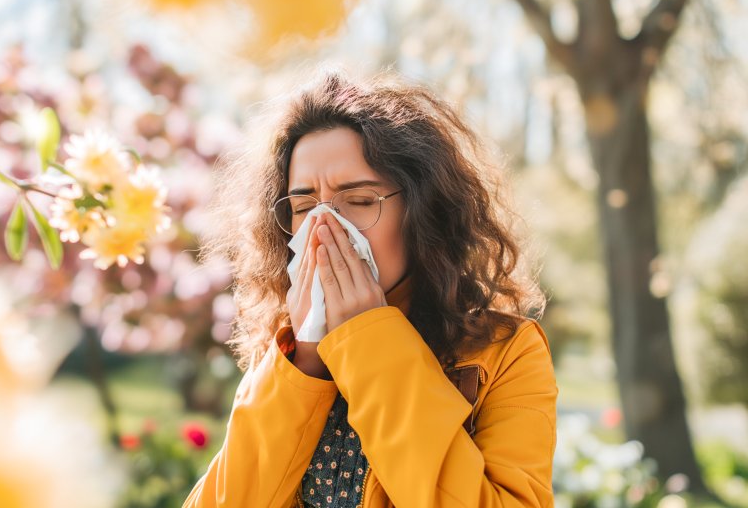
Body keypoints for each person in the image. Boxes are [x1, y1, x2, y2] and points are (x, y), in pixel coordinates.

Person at [184, 67, 558, 508]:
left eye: (359, 201)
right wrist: (306, 361)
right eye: (304, 206)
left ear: (422, 212)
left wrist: (368, 339)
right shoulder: (285, 351)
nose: (325, 227)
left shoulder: (507, 354)